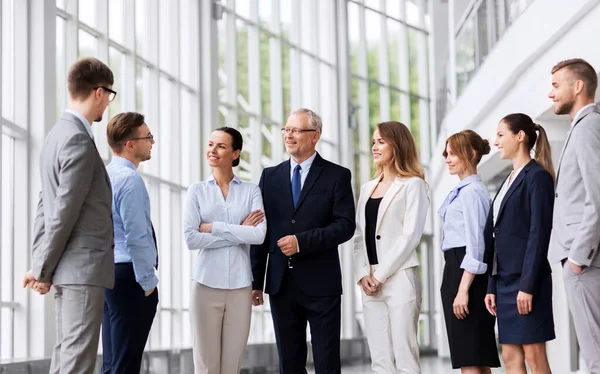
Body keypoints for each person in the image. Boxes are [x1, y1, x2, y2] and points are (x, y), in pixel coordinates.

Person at [22, 57, 116, 373]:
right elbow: (62, 211)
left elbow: (44, 207)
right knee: (77, 362)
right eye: (110, 95)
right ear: (99, 92)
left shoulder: (55, 136)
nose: (107, 105)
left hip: (66, 268)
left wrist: (40, 265)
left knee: (66, 357)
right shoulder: (78, 138)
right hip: (81, 269)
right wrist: (43, 270)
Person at [250, 108, 355, 374]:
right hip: (280, 285)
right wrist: (256, 281)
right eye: (286, 130)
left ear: (314, 136)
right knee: (289, 362)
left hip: (322, 284)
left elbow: (345, 227)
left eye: (296, 130)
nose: (289, 135)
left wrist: (301, 242)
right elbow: (262, 232)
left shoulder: (337, 175)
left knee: (326, 361)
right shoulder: (269, 176)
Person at [184, 126, 266, 374]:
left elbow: (259, 235)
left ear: (235, 153)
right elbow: (191, 238)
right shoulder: (196, 191)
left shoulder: (251, 190)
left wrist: (214, 228)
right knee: (206, 366)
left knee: (232, 365)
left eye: (220, 146)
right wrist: (237, 231)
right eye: (210, 144)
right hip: (205, 285)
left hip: (240, 287)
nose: (213, 150)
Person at [353, 121, 429, 373]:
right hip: (369, 282)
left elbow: (410, 236)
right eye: (374, 141)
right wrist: (364, 274)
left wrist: (380, 275)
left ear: (398, 145)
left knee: (405, 355)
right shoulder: (366, 188)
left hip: (399, 278)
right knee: (379, 360)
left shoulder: (413, 184)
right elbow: (359, 236)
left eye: (381, 141)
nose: (374, 147)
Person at [484, 113, 555, 373]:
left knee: (534, 356)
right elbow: (497, 235)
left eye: (501, 135)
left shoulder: (537, 177)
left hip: (527, 282)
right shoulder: (508, 180)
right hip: (504, 282)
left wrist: (527, 286)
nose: (496, 141)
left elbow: (539, 234)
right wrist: (492, 284)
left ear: (520, 136)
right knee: (510, 355)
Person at [548, 58, 600, 372]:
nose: (550, 94)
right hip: (582, 259)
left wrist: (578, 258)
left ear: (577, 86)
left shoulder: (588, 127)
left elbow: (597, 196)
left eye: (556, 85)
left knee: (594, 355)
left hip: (586, 259)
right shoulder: (581, 127)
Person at [438, 130, 501, 373]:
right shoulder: (465, 191)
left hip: (467, 275)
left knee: (470, 358)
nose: (447, 159)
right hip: (459, 270)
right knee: (474, 356)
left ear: (472, 154)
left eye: (453, 153)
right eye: (446, 154)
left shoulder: (473, 193)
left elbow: (476, 246)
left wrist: (462, 290)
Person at [101, 112, 159, 373]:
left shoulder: (103, 175)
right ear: (130, 144)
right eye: (148, 137)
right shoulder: (129, 180)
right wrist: (148, 282)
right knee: (126, 364)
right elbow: (137, 236)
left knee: (112, 361)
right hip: (129, 276)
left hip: (106, 274)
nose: (152, 142)